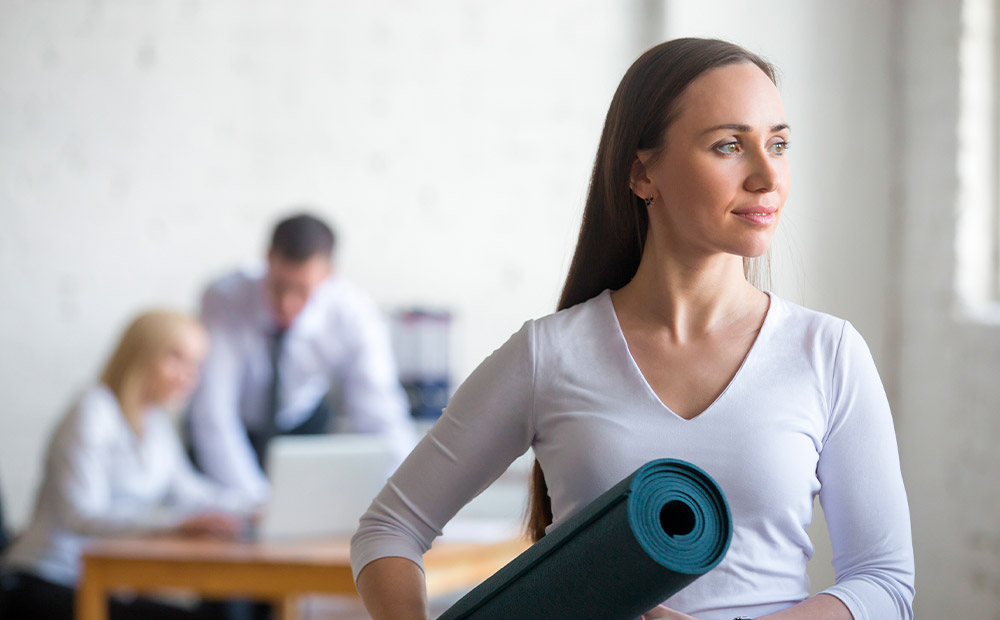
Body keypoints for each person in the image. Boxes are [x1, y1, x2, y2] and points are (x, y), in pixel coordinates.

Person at [350, 38, 914, 620]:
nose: (767, 176)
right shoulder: (550, 355)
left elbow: (884, 582)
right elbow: (389, 529)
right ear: (644, 173)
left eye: (778, 145)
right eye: (728, 146)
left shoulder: (827, 353)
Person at [2, 311, 251, 620]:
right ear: (140, 354)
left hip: (103, 584)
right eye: (176, 358)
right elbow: (81, 516)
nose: (188, 375)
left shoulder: (155, 422)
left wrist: (254, 506)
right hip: (49, 580)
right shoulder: (93, 410)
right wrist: (174, 525)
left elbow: (191, 492)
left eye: (196, 365)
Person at [186, 213, 416, 505]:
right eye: (279, 286)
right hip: (234, 428)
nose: (286, 304)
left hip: (301, 428)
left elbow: (379, 410)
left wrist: (406, 497)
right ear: (267, 259)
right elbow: (213, 411)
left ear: (328, 274)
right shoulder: (224, 297)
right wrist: (255, 503)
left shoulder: (353, 313)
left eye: (302, 291)